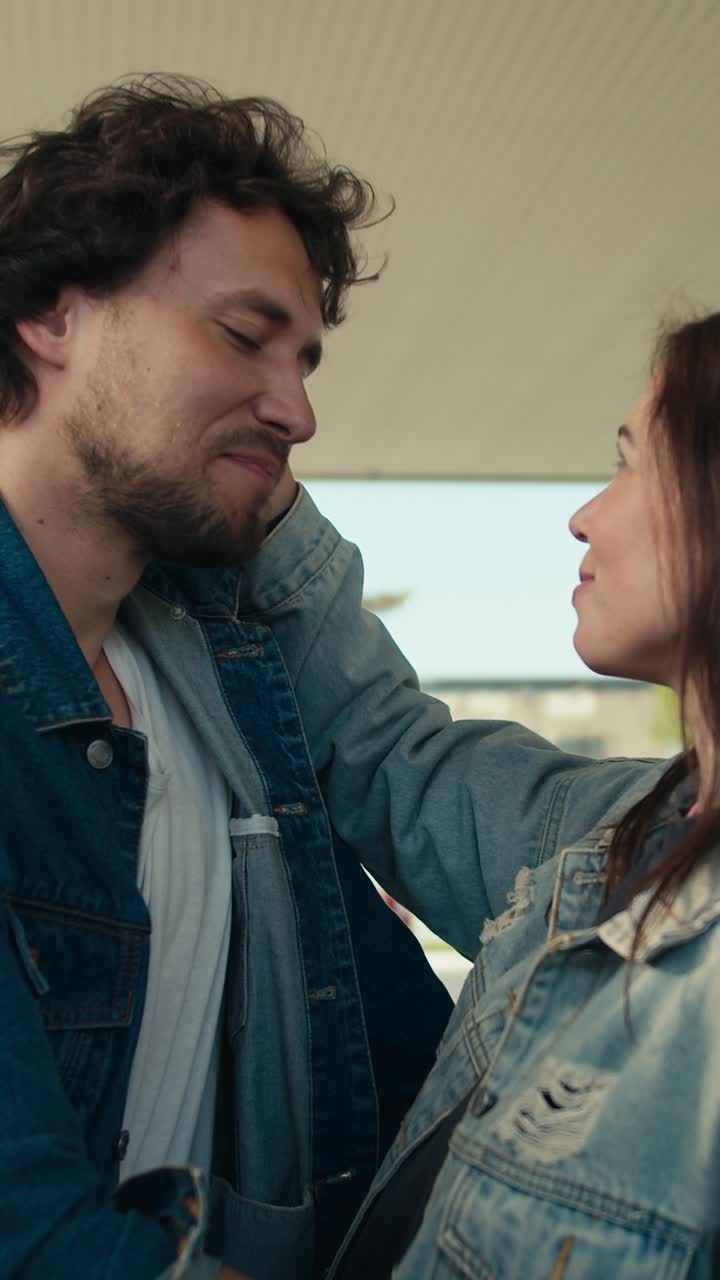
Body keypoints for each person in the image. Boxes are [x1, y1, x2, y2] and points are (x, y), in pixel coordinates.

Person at [0, 75, 455, 1280]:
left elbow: (397, 1056)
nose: (298, 408)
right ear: (51, 314)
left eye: (305, 359)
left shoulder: (230, 670)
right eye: (241, 335)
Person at [248, 314, 720, 1276]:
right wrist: (253, 492)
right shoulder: (622, 836)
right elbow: (395, 754)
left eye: (631, 464)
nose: (585, 515)